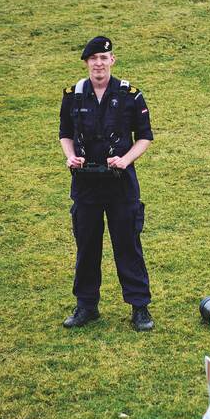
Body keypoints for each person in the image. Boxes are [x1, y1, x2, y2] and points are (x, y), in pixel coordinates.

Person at [59, 35, 154, 330]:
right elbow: (64, 133)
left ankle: (140, 308)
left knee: (128, 245)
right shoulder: (73, 95)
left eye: (103, 58)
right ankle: (86, 306)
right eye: (93, 59)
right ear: (87, 63)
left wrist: (125, 160)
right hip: (86, 185)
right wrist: (70, 156)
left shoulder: (130, 95)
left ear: (112, 60)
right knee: (87, 246)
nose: (98, 64)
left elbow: (145, 137)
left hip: (120, 184)